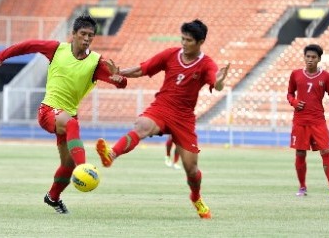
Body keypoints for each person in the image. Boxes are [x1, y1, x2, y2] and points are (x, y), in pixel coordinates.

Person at [0, 15, 127, 213]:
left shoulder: (96, 63)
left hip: (67, 116)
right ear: (74, 34)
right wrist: (2, 55)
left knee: (67, 166)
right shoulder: (57, 49)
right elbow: (29, 45)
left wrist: (119, 80)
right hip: (48, 111)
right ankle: (84, 168)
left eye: (91, 36)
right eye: (83, 34)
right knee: (72, 126)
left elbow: (120, 84)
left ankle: (53, 197)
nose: (87, 39)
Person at [95, 19, 229, 219]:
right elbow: (143, 69)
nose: (184, 43)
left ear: (200, 42)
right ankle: (110, 155)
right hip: (163, 107)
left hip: (184, 118)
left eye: (189, 40)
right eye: (182, 38)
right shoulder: (170, 54)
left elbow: (215, 84)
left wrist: (219, 83)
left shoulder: (207, 64)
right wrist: (119, 72)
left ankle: (196, 198)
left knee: (191, 169)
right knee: (142, 125)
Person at [287, 44, 329, 198]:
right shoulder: (295, 74)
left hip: (318, 120)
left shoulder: (326, 77)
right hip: (300, 121)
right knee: (300, 153)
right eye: (308, 57)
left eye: (314, 57)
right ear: (304, 57)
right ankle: (302, 187)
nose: (310, 60)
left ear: (319, 59)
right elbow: (289, 94)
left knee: (325, 151)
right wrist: (294, 102)